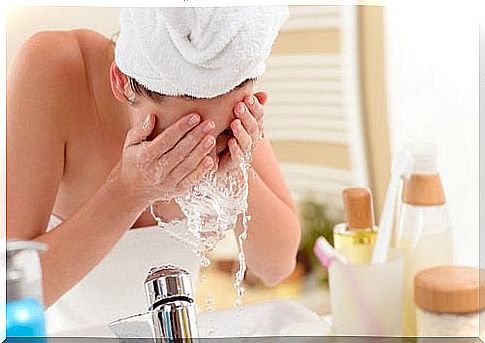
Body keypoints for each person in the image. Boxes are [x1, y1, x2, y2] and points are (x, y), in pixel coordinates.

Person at [7, 6, 301, 334]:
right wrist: (128, 190)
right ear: (121, 83)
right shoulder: (54, 68)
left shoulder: (225, 76)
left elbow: (276, 266)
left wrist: (234, 168)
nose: (198, 154)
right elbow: (11, 296)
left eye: (217, 137)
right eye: (179, 141)